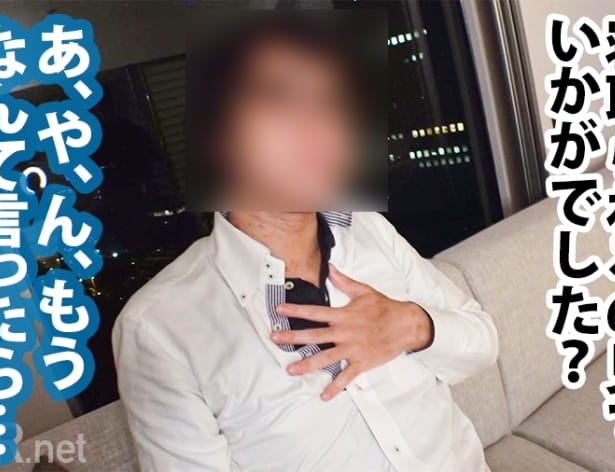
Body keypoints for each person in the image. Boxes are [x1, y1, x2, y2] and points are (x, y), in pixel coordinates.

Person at [112, 14, 498, 471]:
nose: (321, 126)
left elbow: (483, 342)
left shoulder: (367, 228)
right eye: (280, 100)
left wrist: (411, 325)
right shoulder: (159, 327)